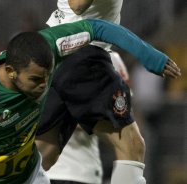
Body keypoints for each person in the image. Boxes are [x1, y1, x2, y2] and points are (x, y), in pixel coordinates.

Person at [0, 19, 180, 184]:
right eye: (37, 80)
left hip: (28, 175)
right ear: (12, 73)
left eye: (48, 78)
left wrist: (150, 56)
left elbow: (98, 27)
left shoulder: (51, 46)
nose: (44, 87)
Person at [35, 3, 181, 184]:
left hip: (61, 48)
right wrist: (145, 53)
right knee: (131, 146)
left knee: (43, 154)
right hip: (83, 50)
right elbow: (77, 5)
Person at [40, 0, 129, 184]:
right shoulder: (44, 63)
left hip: (82, 173)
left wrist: (82, 113)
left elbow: (123, 115)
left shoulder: (111, 64)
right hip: (48, 173)